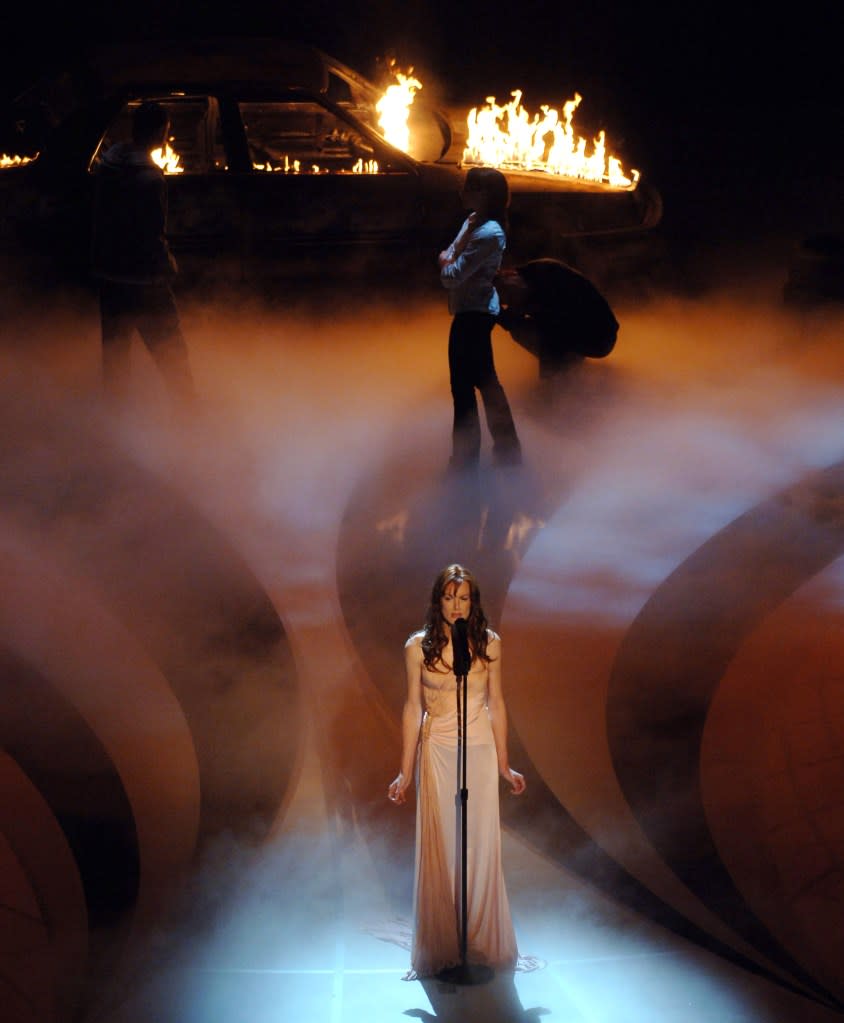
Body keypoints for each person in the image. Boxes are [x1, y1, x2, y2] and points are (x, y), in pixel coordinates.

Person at [388, 563, 526, 978]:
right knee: (445, 843)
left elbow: (496, 703)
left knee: (478, 841)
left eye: (463, 598)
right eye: (449, 598)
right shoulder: (417, 646)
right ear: (438, 600)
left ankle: (478, 939)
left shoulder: (489, 644)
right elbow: (413, 708)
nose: (456, 606)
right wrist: (404, 771)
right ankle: (441, 941)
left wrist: (504, 763)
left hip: (479, 748)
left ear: (473, 603)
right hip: (439, 750)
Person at [91, 101, 195, 404]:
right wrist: (168, 268)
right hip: (143, 279)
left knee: (115, 355)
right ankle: (189, 412)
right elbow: (152, 236)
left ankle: (114, 419)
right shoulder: (150, 180)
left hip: (109, 275)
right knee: (171, 350)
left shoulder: (107, 167)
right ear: (160, 132)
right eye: (166, 131)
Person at [439, 167, 521, 468]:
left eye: (467, 187)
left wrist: (445, 261)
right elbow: (452, 255)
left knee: (469, 386)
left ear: (483, 194)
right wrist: (449, 257)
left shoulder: (488, 232)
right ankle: (502, 452)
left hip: (474, 314)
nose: (461, 192)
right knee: (480, 383)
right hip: (470, 311)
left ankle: (469, 459)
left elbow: (451, 274)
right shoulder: (474, 221)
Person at [495, 258, 619, 379]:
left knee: (541, 331)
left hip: (600, 337)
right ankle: (568, 367)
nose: (510, 301)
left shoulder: (545, 275)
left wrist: (549, 380)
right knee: (522, 330)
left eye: (506, 293)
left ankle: (563, 377)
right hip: (589, 333)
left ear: (508, 276)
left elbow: (550, 328)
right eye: (506, 299)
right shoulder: (531, 276)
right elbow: (513, 321)